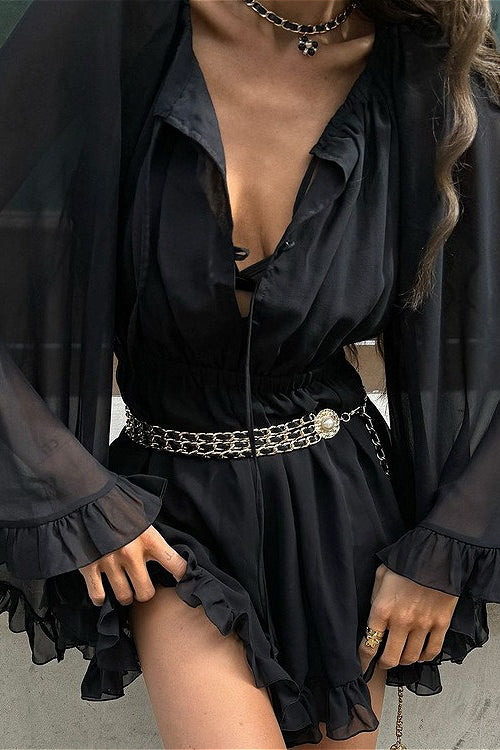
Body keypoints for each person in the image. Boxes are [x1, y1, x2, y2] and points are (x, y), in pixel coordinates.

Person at [0, 0, 499, 748]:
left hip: (341, 507)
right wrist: (67, 484)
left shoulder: (430, 66)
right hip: (169, 507)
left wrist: (449, 542)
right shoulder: (119, 24)